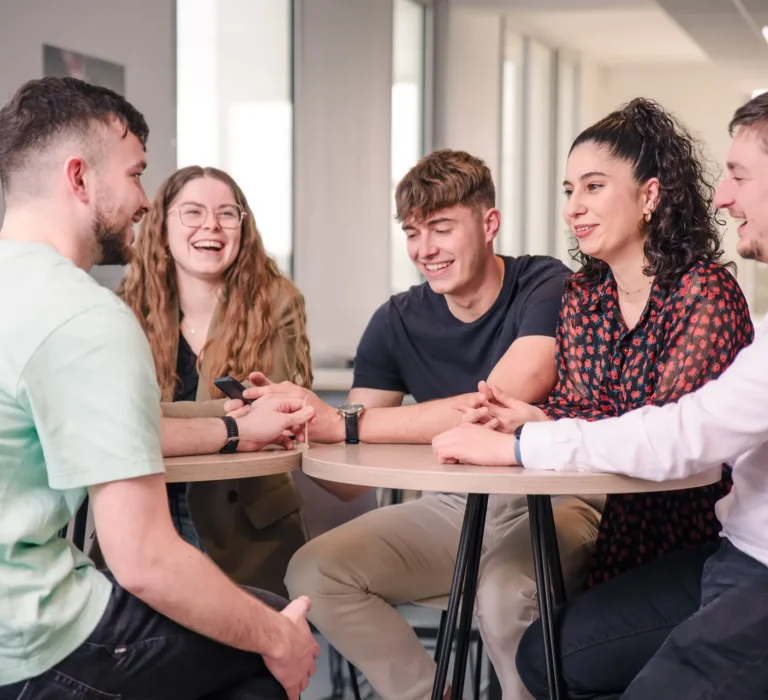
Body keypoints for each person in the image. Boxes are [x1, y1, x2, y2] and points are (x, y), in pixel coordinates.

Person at [228, 149, 600, 700]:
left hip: (553, 497)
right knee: (315, 572)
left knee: (502, 596)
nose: (425, 250)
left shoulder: (546, 283)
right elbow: (348, 474)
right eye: (412, 232)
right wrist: (300, 424)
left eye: (442, 228)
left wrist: (344, 424)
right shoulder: (396, 319)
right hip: (452, 503)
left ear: (489, 223)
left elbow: (494, 402)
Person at [434, 95, 768, 700]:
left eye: (592, 186)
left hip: (692, 523)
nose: (573, 208)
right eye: (569, 190)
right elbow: (600, 408)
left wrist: (530, 438)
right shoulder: (584, 293)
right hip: (668, 527)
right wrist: (539, 420)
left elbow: (678, 435)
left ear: (650, 196)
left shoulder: (705, 292)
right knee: (547, 657)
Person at [0, 77, 318, 700]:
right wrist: (279, 640)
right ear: (80, 178)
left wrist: (230, 428)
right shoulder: (87, 316)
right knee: (261, 646)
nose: (144, 199)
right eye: (136, 174)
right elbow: (143, 561)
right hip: (31, 637)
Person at [116, 165, 312, 596]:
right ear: (162, 228)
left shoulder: (277, 303)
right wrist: (235, 416)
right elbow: (112, 418)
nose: (212, 225)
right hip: (146, 518)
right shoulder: (122, 309)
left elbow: (275, 411)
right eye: (192, 212)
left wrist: (149, 415)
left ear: (243, 228)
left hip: (246, 528)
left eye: (227, 213)